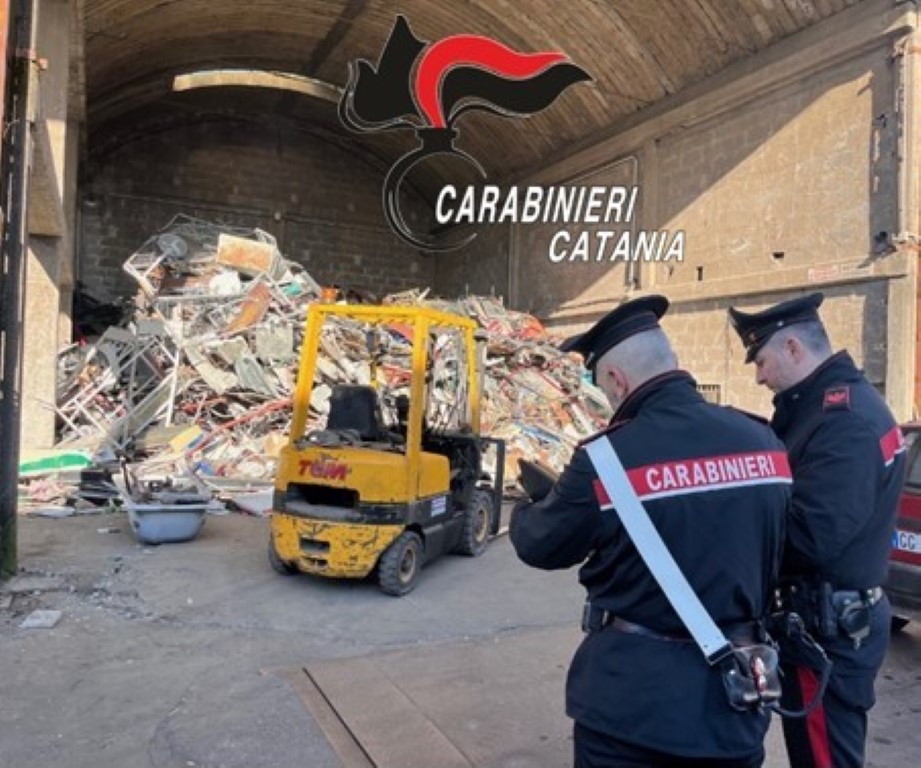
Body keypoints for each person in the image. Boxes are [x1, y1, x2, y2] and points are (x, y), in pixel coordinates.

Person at [510, 295, 791, 768]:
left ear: (617, 380)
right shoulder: (764, 442)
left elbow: (541, 545)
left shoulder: (606, 459)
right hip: (734, 697)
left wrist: (531, 505)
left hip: (631, 709)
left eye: (605, 389)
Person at [728, 292, 905, 768]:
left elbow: (810, 537)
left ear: (793, 348)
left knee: (824, 758)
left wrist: (729, 529)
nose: (759, 376)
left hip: (826, 631)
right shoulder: (826, 408)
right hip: (827, 621)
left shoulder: (844, 421)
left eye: (761, 361)